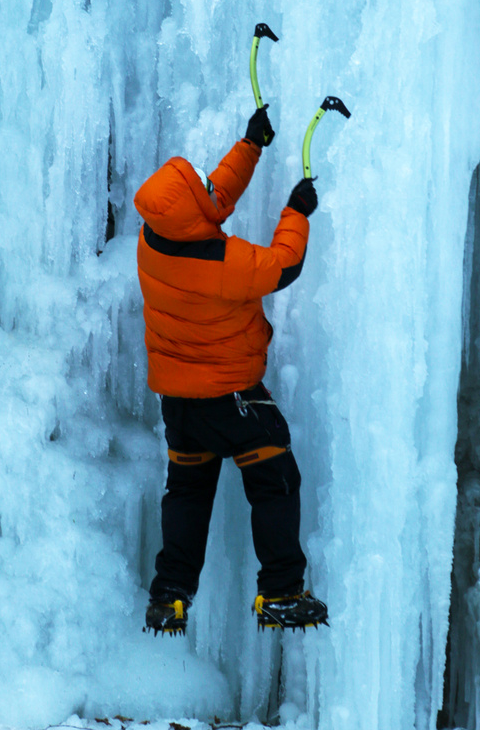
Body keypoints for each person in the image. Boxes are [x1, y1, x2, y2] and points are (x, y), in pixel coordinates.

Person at [133, 105, 328, 635]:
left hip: (180, 404)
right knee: (274, 478)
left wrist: (251, 146)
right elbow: (283, 265)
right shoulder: (220, 264)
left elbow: (209, 199)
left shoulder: (152, 241)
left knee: (189, 490)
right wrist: (297, 211)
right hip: (231, 399)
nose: (203, 179)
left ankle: (170, 595)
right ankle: (282, 592)